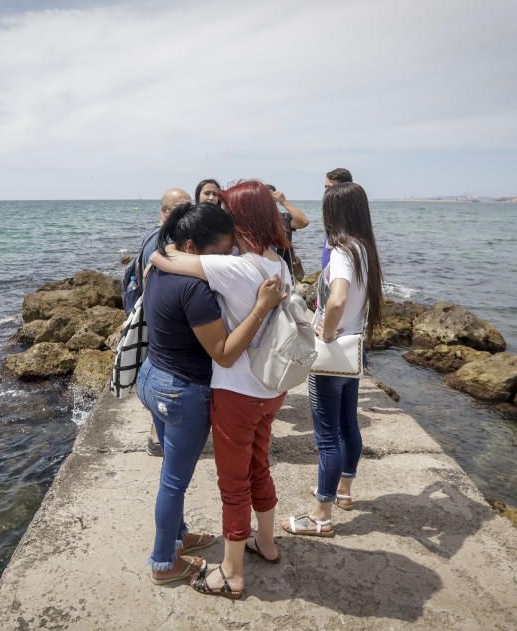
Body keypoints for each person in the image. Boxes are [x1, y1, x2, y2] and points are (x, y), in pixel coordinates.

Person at [150, 180, 292, 600]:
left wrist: (158, 250)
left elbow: (169, 260)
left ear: (241, 219)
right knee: (259, 465)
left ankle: (231, 573)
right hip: (272, 389)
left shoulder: (233, 267)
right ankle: (265, 543)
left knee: (233, 483)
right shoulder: (277, 265)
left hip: (237, 394)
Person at [283, 182, 384, 538]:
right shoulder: (364, 250)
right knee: (347, 425)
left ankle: (320, 515)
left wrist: (325, 332)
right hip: (353, 352)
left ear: (335, 213)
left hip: (332, 353)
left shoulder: (341, 249)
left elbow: (337, 299)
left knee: (327, 436)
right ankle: (343, 491)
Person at [121, 187, 192, 457]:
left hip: (156, 319)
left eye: (189, 207)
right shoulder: (161, 240)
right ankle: (157, 435)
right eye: (181, 208)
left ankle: (160, 434)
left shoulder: (161, 234)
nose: (187, 212)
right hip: (158, 322)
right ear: (165, 211)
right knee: (161, 375)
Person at [265, 184, 309, 281]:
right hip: (264, 272)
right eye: (264, 196)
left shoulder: (284, 218)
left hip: (286, 272)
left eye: (271, 196)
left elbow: (304, 222)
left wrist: (284, 202)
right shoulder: (253, 221)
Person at [321, 168, 353, 269]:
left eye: (330, 188)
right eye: (326, 188)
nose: (326, 192)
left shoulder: (351, 219)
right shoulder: (332, 216)